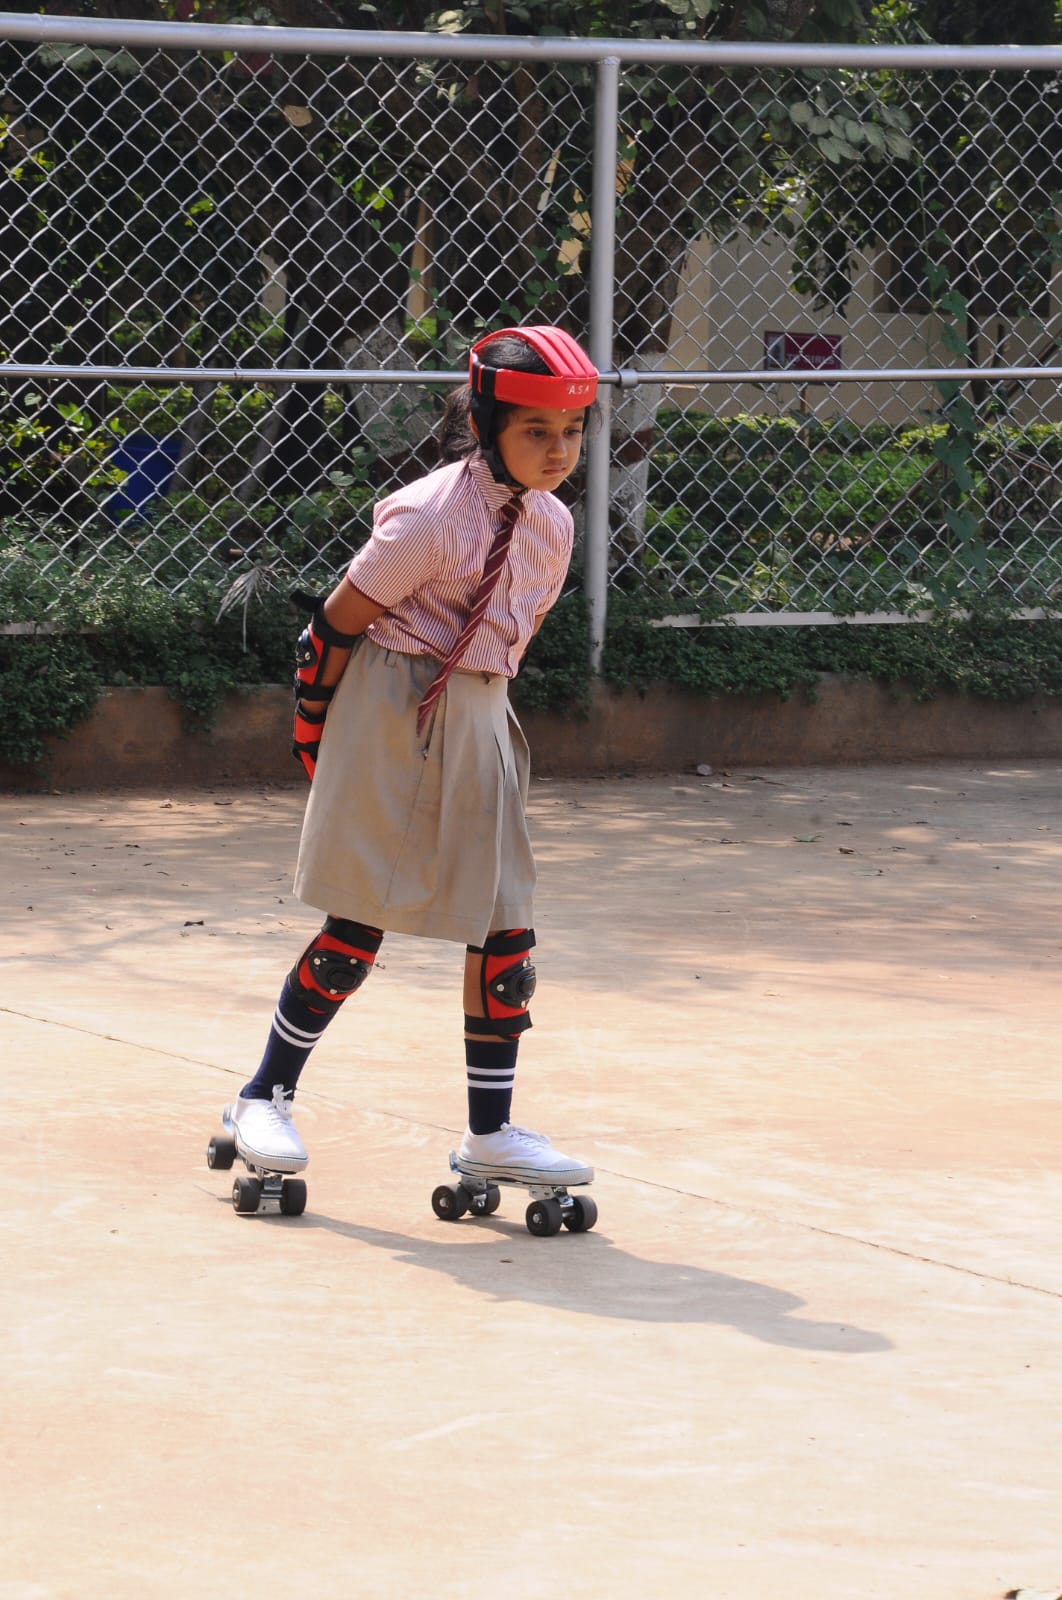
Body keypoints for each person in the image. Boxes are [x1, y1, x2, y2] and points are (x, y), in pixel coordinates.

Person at [221, 325, 598, 1193]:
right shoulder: (431, 516)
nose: (557, 451)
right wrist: (315, 727)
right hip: (393, 701)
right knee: (358, 922)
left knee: (506, 932)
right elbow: (335, 623)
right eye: (536, 431)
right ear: (488, 425)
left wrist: (478, 719)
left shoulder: (553, 522)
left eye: (572, 432)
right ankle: (262, 1097)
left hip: (481, 706)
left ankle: (490, 1134)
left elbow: (511, 634)